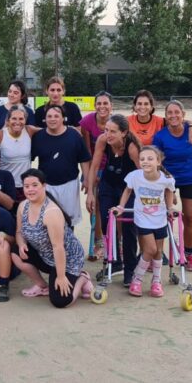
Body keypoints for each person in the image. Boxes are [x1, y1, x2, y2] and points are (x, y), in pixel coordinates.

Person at [12, 169, 93, 308]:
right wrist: (21, 244)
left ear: (44, 186)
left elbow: (58, 247)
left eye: (35, 185)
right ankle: (42, 286)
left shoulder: (51, 213)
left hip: (66, 260)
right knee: (15, 252)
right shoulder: (22, 206)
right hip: (44, 255)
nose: (30, 189)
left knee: (61, 301)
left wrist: (61, 277)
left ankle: (82, 277)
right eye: (26, 186)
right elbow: (19, 232)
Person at [111, 146, 178, 298]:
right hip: (142, 219)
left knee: (159, 251)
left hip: (159, 219)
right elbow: (128, 190)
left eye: (150, 159)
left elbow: (169, 191)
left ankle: (156, 281)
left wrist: (169, 208)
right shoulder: (135, 176)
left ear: (158, 162)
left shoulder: (166, 179)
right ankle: (137, 279)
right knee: (150, 250)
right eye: (142, 159)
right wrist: (121, 206)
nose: (145, 162)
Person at [86, 114, 141, 286]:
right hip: (108, 184)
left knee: (128, 226)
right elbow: (94, 166)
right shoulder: (103, 140)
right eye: (106, 130)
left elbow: (144, 172)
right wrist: (90, 193)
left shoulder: (132, 148)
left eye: (113, 131)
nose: (107, 134)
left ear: (123, 132)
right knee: (106, 223)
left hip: (128, 187)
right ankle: (115, 262)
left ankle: (130, 269)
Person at [152, 101, 192, 272]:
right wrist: (169, 187)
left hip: (191, 178)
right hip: (169, 179)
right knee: (163, 218)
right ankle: (159, 253)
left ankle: (189, 254)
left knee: (190, 217)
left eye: (177, 112)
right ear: (165, 116)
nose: (173, 115)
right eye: (169, 113)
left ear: (183, 114)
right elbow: (159, 164)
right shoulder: (160, 137)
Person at [30, 105, 92, 224]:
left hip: (69, 184)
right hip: (46, 186)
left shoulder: (74, 136)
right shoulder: (38, 137)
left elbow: (84, 159)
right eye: (49, 116)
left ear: (63, 118)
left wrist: (86, 179)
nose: (52, 119)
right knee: (47, 220)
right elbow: (29, 159)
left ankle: (68, 243)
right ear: (45, 119)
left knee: (68, 221)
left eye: (56, 116)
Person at [79, 92, 114, 261]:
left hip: (112, 168)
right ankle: (98, 242)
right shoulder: (87, 122)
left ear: (111, 106)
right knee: (95, 206)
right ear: (94, 105)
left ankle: (115, 242)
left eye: (105, 103)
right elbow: (86, 152)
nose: (102, 106)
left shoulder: (118, 121)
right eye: (99, 103)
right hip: (94, 166)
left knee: (112, 205)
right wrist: (90, 176)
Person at [0, 107, 40, 203]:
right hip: (5, 185)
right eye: (14, 118)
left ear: (25, 120)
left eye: (21, 119)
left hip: (25, 185)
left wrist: (71, 129)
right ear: (8, 121)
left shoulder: (29, 130)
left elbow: (49, 131)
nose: (18, 122)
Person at [128, 90, 192, 147]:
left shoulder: (160, 121)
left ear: (151, 107)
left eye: (146, 104)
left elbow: (178, 120)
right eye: (139, 104)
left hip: (153, 160)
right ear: (134, 106)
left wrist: (191, 126)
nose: (143, 107)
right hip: (132, 161)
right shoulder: (127, 121)